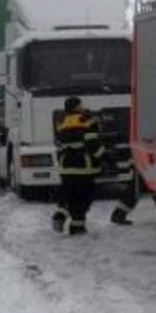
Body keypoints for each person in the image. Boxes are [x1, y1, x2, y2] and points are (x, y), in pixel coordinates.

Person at [52, 97, 105, 235]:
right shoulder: (87, 120)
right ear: (76, 107)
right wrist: (105, 157)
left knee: (68, 194)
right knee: (82, 198)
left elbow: (58, 143)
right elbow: (92, 144)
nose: (83, 107)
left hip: (65, 166)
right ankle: (77, 227)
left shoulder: (60, 122)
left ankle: (60, 215)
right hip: (84, 166)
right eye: (80, 104)